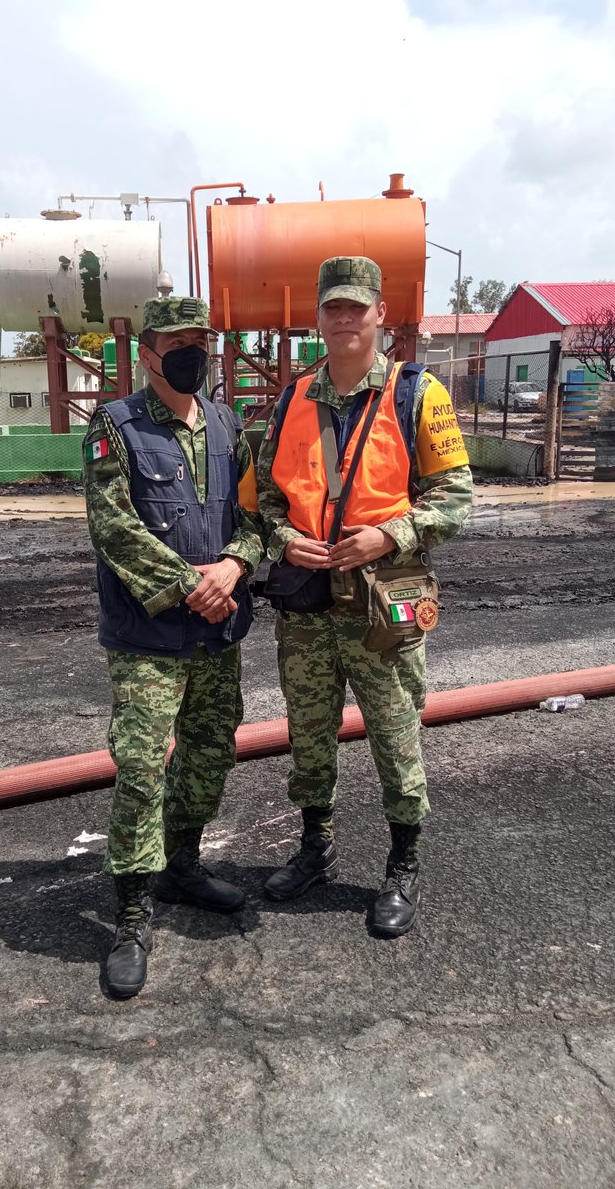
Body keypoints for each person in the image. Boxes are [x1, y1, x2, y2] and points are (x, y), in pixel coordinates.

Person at [255, 256, 473, 937]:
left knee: (396, 732)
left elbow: (457, 496)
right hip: (307, 603)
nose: (344, 319)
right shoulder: (292, 399)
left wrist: (389, 535)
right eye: (332, 308)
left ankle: (403, 865)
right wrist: (284, 538)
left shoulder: (418, 393)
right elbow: (263, 497)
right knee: (309, 736)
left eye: (357, 307)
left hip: (387, 600)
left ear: (381, 314)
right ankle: (315, 848)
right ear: (317, 318)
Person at [83, 295, 263, 998]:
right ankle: (130, 909)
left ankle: (181, 864)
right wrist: (190, 584)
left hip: (219, 629)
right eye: (178, 342)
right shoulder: (115, 426)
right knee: (139, 765)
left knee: (212, 752)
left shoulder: (226, 423)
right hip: (149, 635)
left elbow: (256, 511)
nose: (194, 352)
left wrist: (237, 565)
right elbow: (114, 529)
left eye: (202, 341)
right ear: (149, 353)